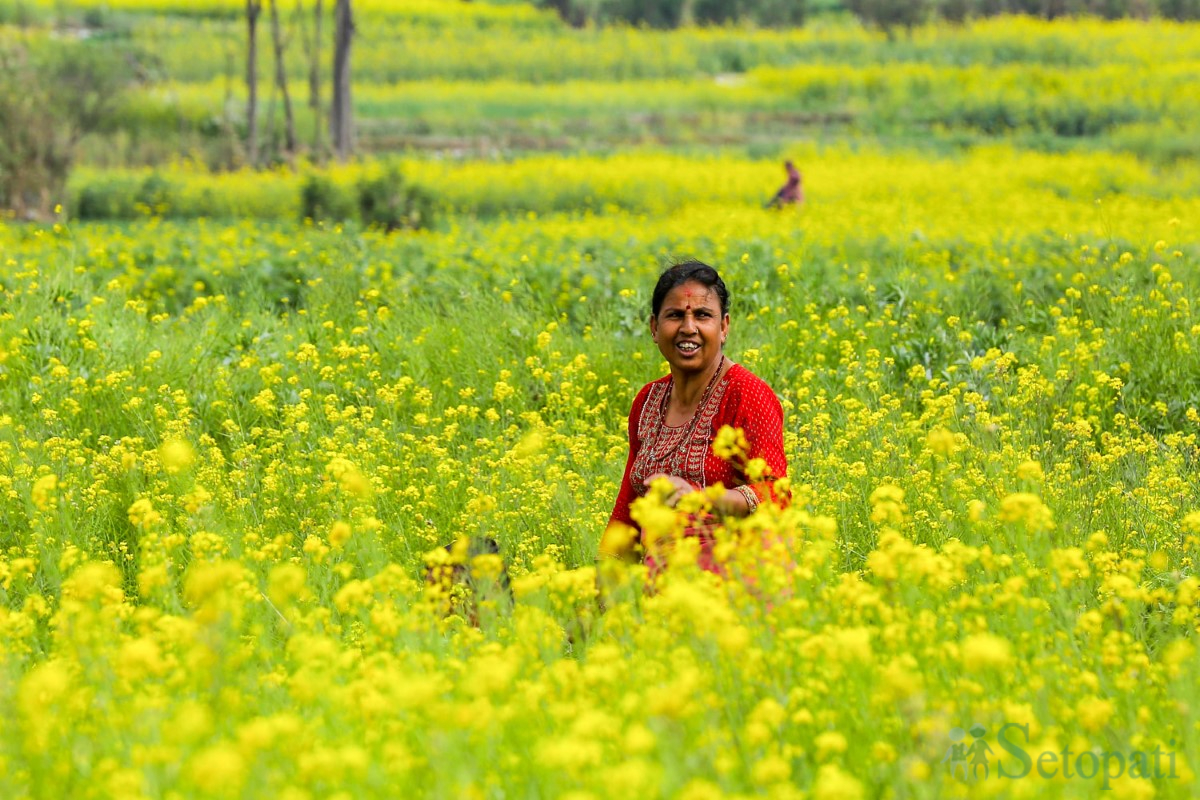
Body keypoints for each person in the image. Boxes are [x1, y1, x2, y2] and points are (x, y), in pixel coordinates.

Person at [601, 260, 788, 579]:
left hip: (736, 586)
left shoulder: (748, 395)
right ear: (654, 327)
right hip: (663, 586)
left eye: (702, 315)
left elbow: (775, 495)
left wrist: (702, 500)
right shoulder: (648, 400)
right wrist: (600, 584)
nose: (689, 327)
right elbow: (629, 506)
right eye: (675, 315)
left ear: (724, 326)